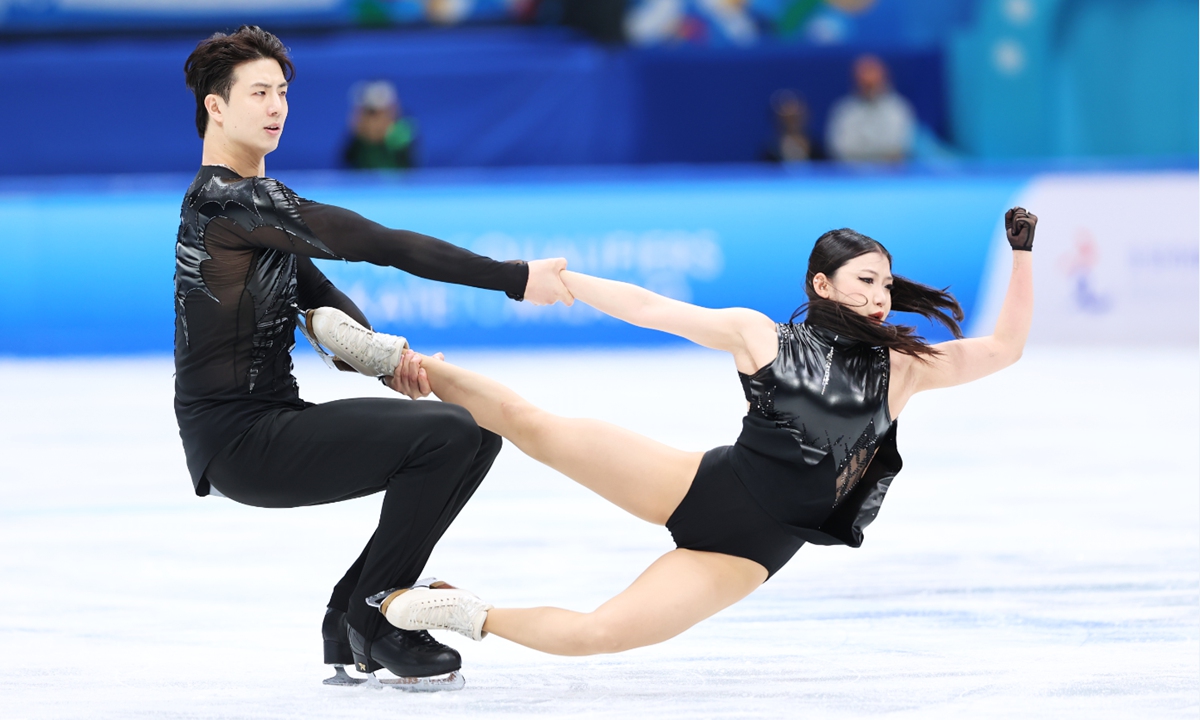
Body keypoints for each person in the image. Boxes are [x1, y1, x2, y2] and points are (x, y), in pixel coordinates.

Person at [314, 207, 1037, 656]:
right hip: (703, 484)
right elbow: (655, 309)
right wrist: (572, 282)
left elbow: (1003, 350)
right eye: (865, 281)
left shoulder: (902, 369)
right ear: (822, 284)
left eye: (885, 284)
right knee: (533, 425)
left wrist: (1023, 255)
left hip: (747, 552)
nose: (880, 297)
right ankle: (396, 359)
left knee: (600, 634)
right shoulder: (762, 336)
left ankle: (461, 609)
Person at [175, 25, 571, 687]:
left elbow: (323, 299)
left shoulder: (257, 209)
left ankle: (350, 617)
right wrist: (513, 277)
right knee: (447, 433)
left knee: (474, 431)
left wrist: (387, 358)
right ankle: (375, 613)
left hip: (268, 425)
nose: (276, 107)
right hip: (240, 440)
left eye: (282, 92)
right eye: (258, 93)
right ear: (216, 107)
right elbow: (380, 242)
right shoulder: (226, 201)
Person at [825, 54, 916, 163]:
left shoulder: (898, 109)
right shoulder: (844, 110)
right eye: (865, 84)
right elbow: (840, 148)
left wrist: (864, 150)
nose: (869, 88)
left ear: (884, 80)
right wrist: (879, 152)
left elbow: (898, 148)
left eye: (873, 84)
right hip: (851, 175)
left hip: (890, 176)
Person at [341, 80, 418, 170]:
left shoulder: (403, 132)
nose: (372, 120)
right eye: (368, 112)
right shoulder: (357, 136)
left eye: (374, 112)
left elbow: (409, 167)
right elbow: (346, 162)